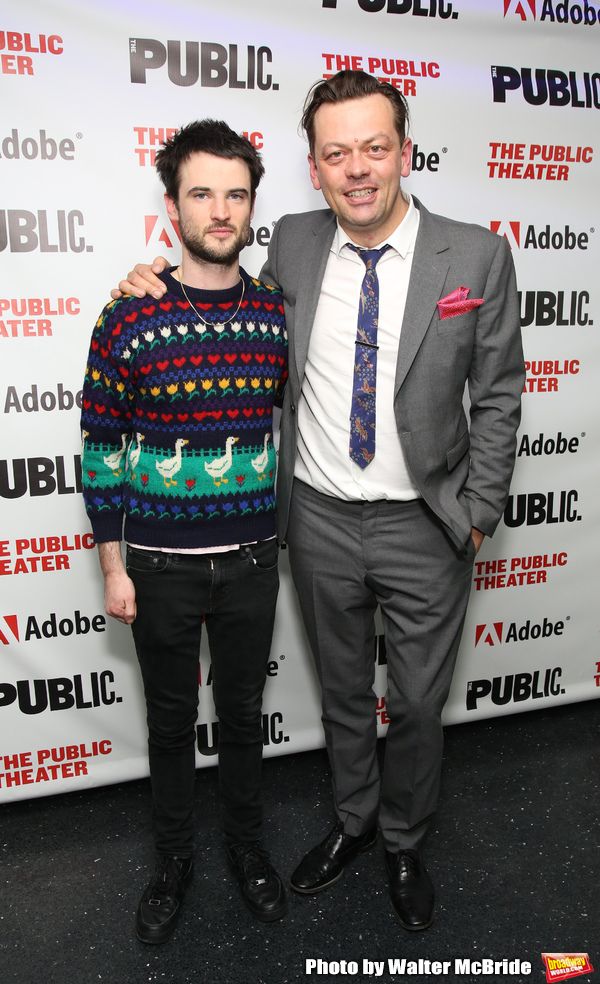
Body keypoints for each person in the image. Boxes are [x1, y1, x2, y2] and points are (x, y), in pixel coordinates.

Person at [111, 71, 525, 932]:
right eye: (337, 153)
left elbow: (499, 396)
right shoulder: (294, 246)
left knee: (415, 702)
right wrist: (141, 281)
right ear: (314, 166)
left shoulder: (475, 255)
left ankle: (405, 839)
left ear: (405, 151)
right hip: (319, 518)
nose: (358, 168)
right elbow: (218, 301)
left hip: (427, 520)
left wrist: (478, 511)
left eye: (375, 147)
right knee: (342, 694)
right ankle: (353, 821)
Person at [81, 119, 288, 944]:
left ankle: (246, 848)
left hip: (251, 561)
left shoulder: (276, 311)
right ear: (172, 206)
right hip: (158, 564)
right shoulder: (127, 316)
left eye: (235, 193)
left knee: (242, 716)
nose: (220, 209)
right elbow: (99, 445)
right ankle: (173, 860)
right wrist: (113, 566)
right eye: (202, 192)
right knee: (169, 725)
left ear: (250, 207)